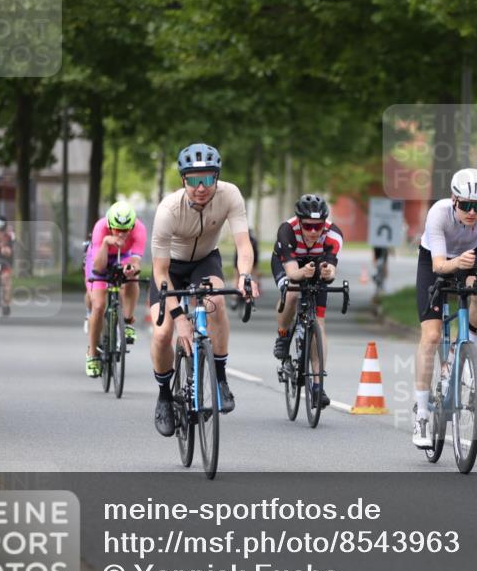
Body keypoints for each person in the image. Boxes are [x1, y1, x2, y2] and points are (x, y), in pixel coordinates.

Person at [150, 143, 259, 437]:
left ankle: (220, 379)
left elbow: (243, 244)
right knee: (162, 334)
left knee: (217, 303)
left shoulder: (230, 195)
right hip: (169, 268)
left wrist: (245, 275)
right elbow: (159, 272)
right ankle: (163, 397)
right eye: (194, 180)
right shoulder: (167, 211)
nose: (201, 187)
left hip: (204, 261)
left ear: (217, 178)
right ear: (183, 180)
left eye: (208, 179)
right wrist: (180, 319)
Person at [412, 168, 477, 448]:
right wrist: (458, 264)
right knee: (432, 336)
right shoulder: (438, 213)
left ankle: (466, 349)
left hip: (469, 260)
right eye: (466, 205)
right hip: (435, 261)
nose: (473, 213)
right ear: (454, 200)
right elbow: (439, 266)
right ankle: (422, 414)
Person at [271, 194, 344, 407]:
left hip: (315, 264)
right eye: (308, 226)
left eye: (318, 226)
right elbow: (293, 273)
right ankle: (283, 334)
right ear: (299, 222)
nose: (313, 231)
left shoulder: (334, 234)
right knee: (292, 294)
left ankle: (317, 386)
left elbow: (331, 269)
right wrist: (302, 272)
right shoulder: (287, 230)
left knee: (319, 323)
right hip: (289, 264)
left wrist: (328, 273)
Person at [84, 201, 147, 378]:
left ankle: (127, 321)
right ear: (110, 224)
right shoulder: (100, 228)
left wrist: (131, 268)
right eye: (117, 229)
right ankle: (92, 354)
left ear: (132, 226)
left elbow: (135, 261)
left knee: (132, 277)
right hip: (99, 258)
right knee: (98, 306)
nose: (121, 233)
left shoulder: (139, 229)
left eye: (125, 230)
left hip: (124, 257)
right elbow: (98, 267)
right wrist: (105, 243)